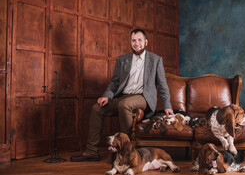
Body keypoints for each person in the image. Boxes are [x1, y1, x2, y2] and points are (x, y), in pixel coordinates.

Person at [70, 29, 174, 162]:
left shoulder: (155, 60)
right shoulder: (122, 59)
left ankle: (126, 149)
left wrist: (167, 106)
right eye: (133, 40)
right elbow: (114, 82)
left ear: (146, 42)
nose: (136, 43)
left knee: (125, 105)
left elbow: (163, 84)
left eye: (139, 40)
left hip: (143, 98)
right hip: (123, 96)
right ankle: (91, 152)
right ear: (130, 42)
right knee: (97, 109)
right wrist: (107, 96)